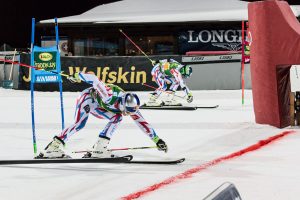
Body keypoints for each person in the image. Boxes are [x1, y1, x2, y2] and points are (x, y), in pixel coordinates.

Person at [38, 72, 168, 159]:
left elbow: (142, 122)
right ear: (123, 104)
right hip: (87, 99)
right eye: (128, 111)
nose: (129, 114)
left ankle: (100, 148)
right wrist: (79, 76)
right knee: (79, 124)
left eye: (131, 112)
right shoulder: (109, 95)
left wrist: (157, 140)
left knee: (117, 117)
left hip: (99, 107)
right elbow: (94, 79)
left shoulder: (130, 106)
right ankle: (52, 147)